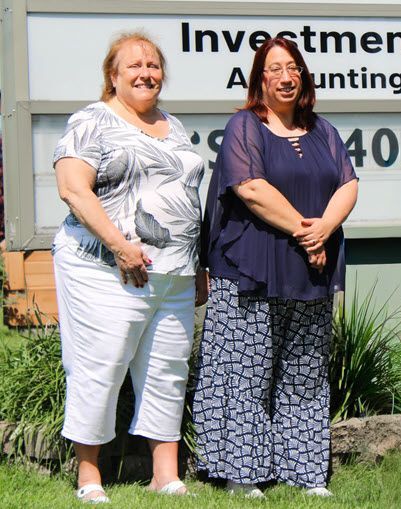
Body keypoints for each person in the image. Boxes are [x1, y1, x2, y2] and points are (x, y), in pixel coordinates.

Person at [192, 37, 358, 498]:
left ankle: (303, 472)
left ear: (302, 78)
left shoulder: (322, 130)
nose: (286, 77)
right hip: (251, 267)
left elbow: (348, 184)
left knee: (304, 371)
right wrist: (310, 234)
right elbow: (250, 188)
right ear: (260, 78)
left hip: (311, 268)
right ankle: (241, 472)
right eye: (275, 69)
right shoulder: (244, 125)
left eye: (294, 70)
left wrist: (325, 227)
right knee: (245, 369)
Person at [52, 32, 206, 503]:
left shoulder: (174, 126)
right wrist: (120, 246)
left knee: (167, 369)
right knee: (101, 365)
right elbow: (73, 189)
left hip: (174, 273)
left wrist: (196, 265)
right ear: (113, 76)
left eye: (154, 65)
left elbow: (185, 197)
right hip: (105, 269)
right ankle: (89, 476)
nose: (146, 73)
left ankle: (165, 474)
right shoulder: (91, 121)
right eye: (134, 66)